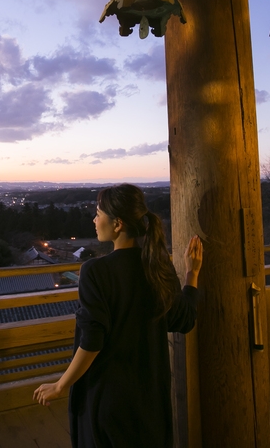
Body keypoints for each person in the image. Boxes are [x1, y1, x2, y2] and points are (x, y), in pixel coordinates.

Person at [33, 183, 204, 448]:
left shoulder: (95, 271)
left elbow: (92, 340)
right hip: (150, 399)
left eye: (98, 214)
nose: (94, 220)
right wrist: (192, 274)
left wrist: (60, 385)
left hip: (109, 398)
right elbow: (183, 320)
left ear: (118, 224)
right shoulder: (158, 268)